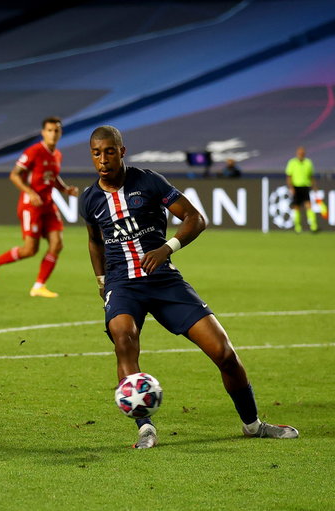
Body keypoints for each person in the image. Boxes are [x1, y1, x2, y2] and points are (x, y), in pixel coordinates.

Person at [79, 125, 298, 448]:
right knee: (124, 338)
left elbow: (195, 218)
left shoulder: (149, 181)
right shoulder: (90, 200)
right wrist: (101, 280)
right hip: (122, 284)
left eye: (109, 151)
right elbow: (94, 241)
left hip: (164, 279)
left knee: (223, 352)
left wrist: (167, 248)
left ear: (122, 152)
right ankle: (145, 428)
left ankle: (253, 424)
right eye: (97, 153)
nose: (103, 159)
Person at [0, 116, 79, 297]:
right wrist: (30, 193)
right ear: (43, 133)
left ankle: (38, 286)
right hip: (31, 206)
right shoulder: (34, 151)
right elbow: (14, 175)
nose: (53, 134)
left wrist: (65, 189)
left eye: (56, 130)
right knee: (30, 250)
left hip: (48, 205)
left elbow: (52, 176)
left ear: (60, 133)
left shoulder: (57, 154)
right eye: (49, 130)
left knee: (57, 244)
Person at [285, 146, 319, 233]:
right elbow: (289, 176)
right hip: (296, 187)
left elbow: (311, 176)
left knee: (308, 206)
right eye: (299, 153)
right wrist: (291, 187)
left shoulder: (308, 163)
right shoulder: (292, 163)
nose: (301, 155)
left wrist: (314, 187)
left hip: (305, 187)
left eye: (302, 153)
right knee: (296, 207)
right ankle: (297, 227)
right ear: (297, 154)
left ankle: (313, 226)